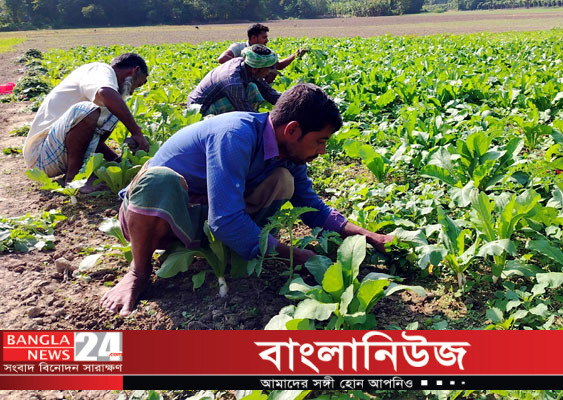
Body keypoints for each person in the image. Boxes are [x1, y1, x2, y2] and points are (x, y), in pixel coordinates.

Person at [102, 83, 393, 316]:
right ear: (292, 130)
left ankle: (237, 249)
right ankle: (138, 272)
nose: (322, 151)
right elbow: (225, 220)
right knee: (159, 181)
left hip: (205, 220)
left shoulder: (288, 152)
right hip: (158, 217)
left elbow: (314, 209)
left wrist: (369, 236)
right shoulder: (235, 135)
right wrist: (299, 255)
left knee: (283, 180)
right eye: (320, 141)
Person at [23, 53, 150, 188]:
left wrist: (120, 163)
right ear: (134, 71)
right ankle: (74, 180)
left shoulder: (108, 91)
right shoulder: (100, 70)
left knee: (112, 113)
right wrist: (137, 132)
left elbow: (93, 140)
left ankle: (76, 174)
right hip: (40, 155)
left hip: (57, 154)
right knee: (87, 110)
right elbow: (105, 92)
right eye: (138, 84)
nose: (132, 92)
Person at [188, 44, 281, 116]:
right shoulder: (233, 81)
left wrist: (291, 104)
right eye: (268, 68)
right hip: (201, 110)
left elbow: (269, 92)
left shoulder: (247, 65)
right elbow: (245, 109)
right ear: (255, 69)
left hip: (215, 101)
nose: (269, 72)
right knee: (249, 116)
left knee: (252, 88)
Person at [217, 23, 308, 84]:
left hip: (253, 85)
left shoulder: (264, 52)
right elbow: (222, 59)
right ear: (253, 38)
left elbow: (278, 65)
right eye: (264, 37)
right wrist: (247, 66)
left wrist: (295, 54)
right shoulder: (239, 47)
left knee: (273, 72)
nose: (267, 40)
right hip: (234, 82)